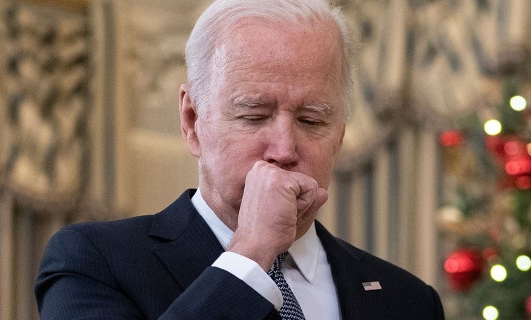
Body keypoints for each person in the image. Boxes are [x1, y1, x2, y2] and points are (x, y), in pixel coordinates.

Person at [34, 0, 445, 319]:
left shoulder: (408, 300)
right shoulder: (94, 260)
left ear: (339, 133)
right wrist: (250, 254)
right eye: (253, 116)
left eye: (311, 119)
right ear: (192, 121)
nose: (284, 150)